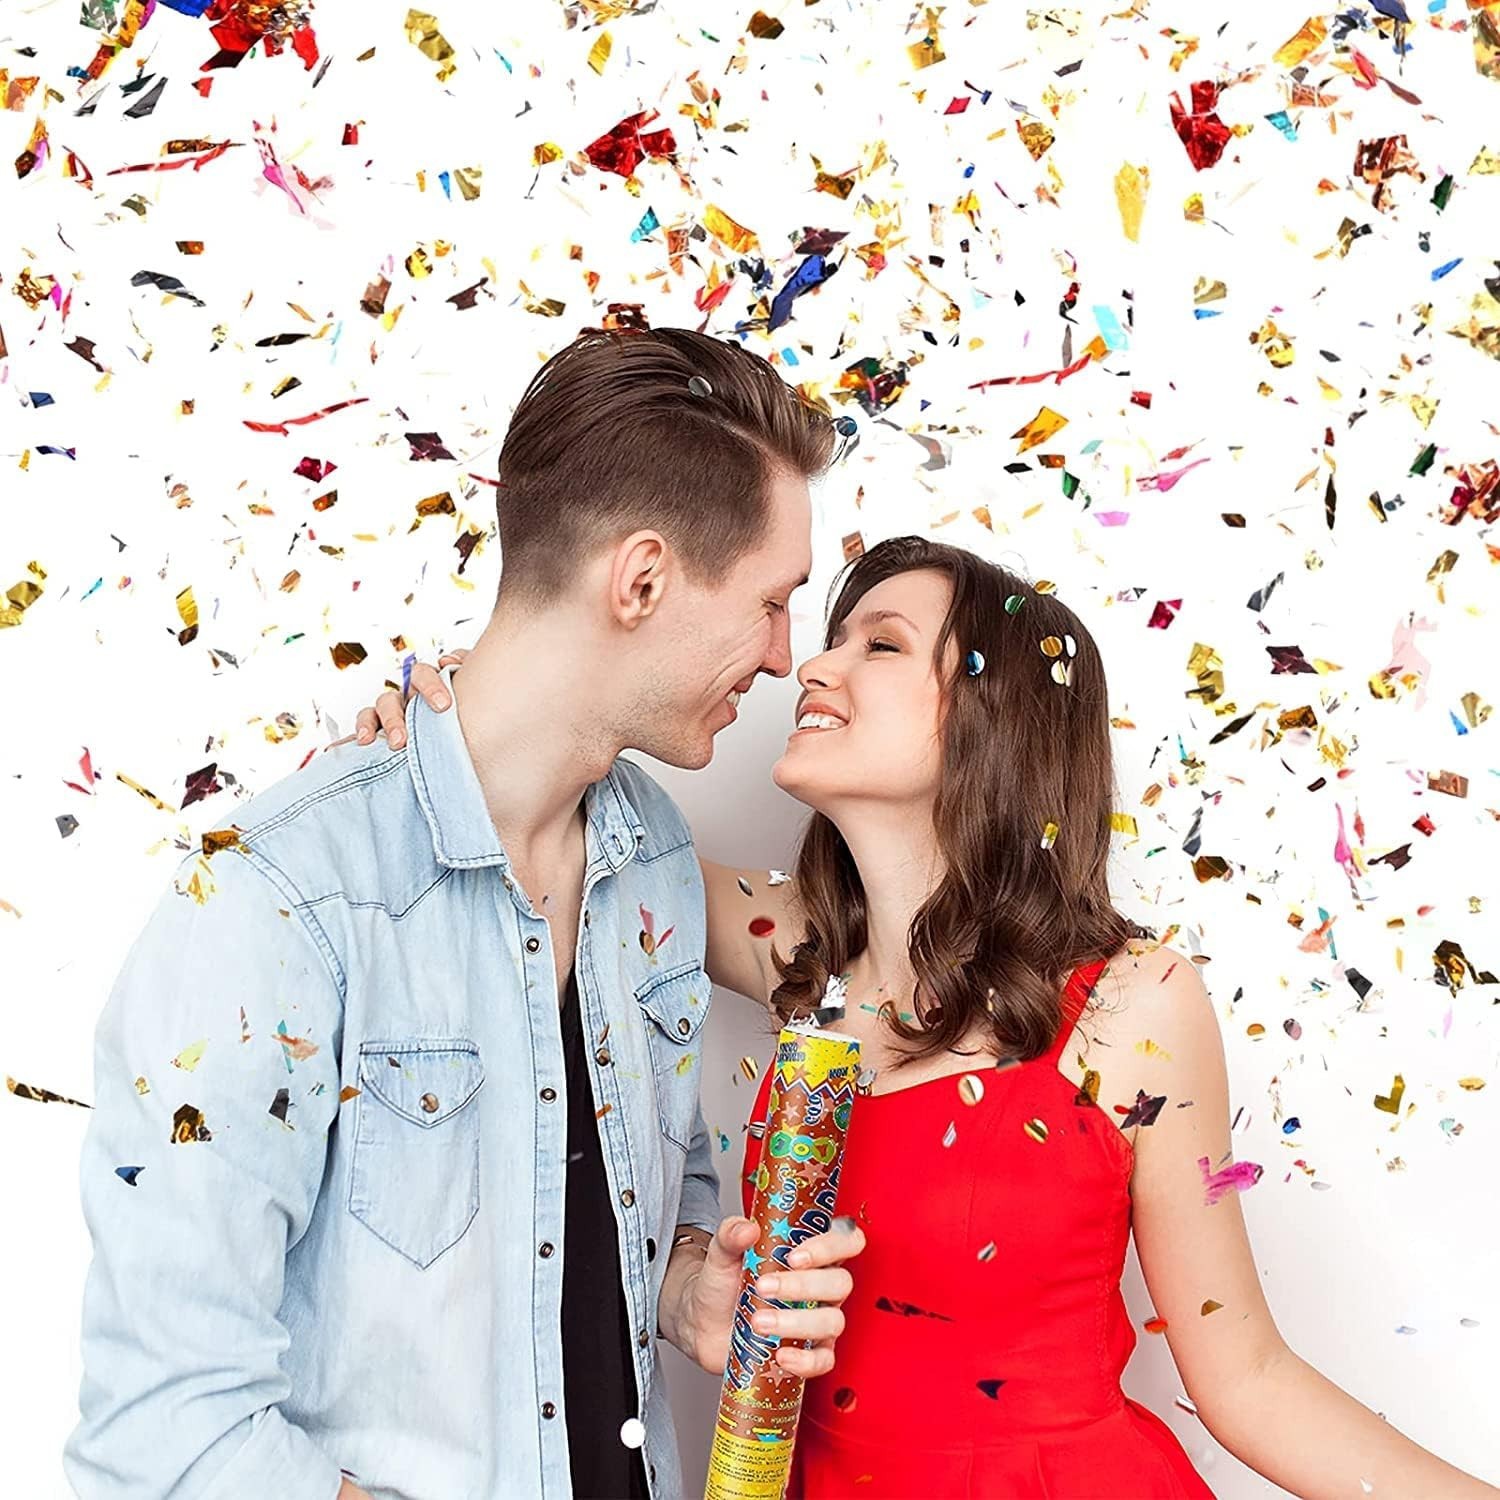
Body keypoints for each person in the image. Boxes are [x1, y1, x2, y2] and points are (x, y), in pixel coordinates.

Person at [375, 535, 1500, 1499]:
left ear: (992, 720)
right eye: (833, 636)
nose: (812, 666)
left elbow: (1246, 1378)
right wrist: (446, 729)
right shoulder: (793, 954)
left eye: (880, 645)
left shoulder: (1133, 1005)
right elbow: (546, 830)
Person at [64, 327, 864, 1500]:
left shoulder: (651, 858)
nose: (787, 659)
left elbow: (630, 1191)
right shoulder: (279, 902)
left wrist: (691, 1277)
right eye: (772, 603)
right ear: (641, 581)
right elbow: (164, 1428)